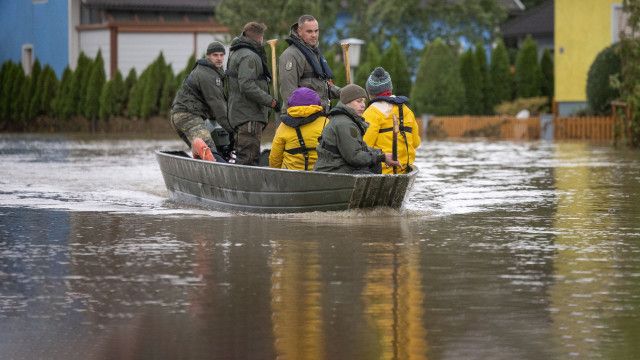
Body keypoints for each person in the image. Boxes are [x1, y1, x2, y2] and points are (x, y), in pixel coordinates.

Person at [314, 84, 399, 174]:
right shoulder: (344, 123)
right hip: (332, 170)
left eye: (363, 101)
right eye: (358, 101)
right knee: (369, 172)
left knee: (374, 165)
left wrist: (381, 154)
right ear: (347, 102)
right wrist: (381, 158)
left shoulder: (346, 120)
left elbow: (361, 148)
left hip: (338, 167)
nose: (363, 105)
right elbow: (354, 157)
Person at [227, 22, 279, 165]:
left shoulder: (236, 52)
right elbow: (247, 85)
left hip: (240, 114)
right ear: (260, 37)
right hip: (249, 116)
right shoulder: (250, 57)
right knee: (248, 161)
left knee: (245, 157)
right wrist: (271, 101)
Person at [170, 41, 229, 162]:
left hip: (182, 116)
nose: (219, 58)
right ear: (208, 56)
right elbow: (218, 106)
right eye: (215, 55)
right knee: (210, 152)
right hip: (188, 116)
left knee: (201, 154)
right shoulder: (206, 74)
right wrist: (232, 130)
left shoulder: (213, 72)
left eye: (221, 55)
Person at [362, 67, 421, 174]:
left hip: (381, 171)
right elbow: (416, 143)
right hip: (404, 169)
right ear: (390, 89)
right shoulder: (407, 111)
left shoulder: (371, 113)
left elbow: (364, 147)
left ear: (370, 92)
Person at [279, 15, 340, 114]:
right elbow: (289, 93)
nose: (314, 35)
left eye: (316, 31)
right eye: (309, 31)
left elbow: (322, 86)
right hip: (303, 118)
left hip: (320, 115)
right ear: (299, 31)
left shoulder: (314, 53)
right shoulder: (290, 55)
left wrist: (347, 92)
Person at [269, 87, 329, 170]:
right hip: (321, 176)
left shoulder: (283, 126)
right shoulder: (326, 123)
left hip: (290, 178)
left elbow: (275, 158)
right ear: (317, 103)